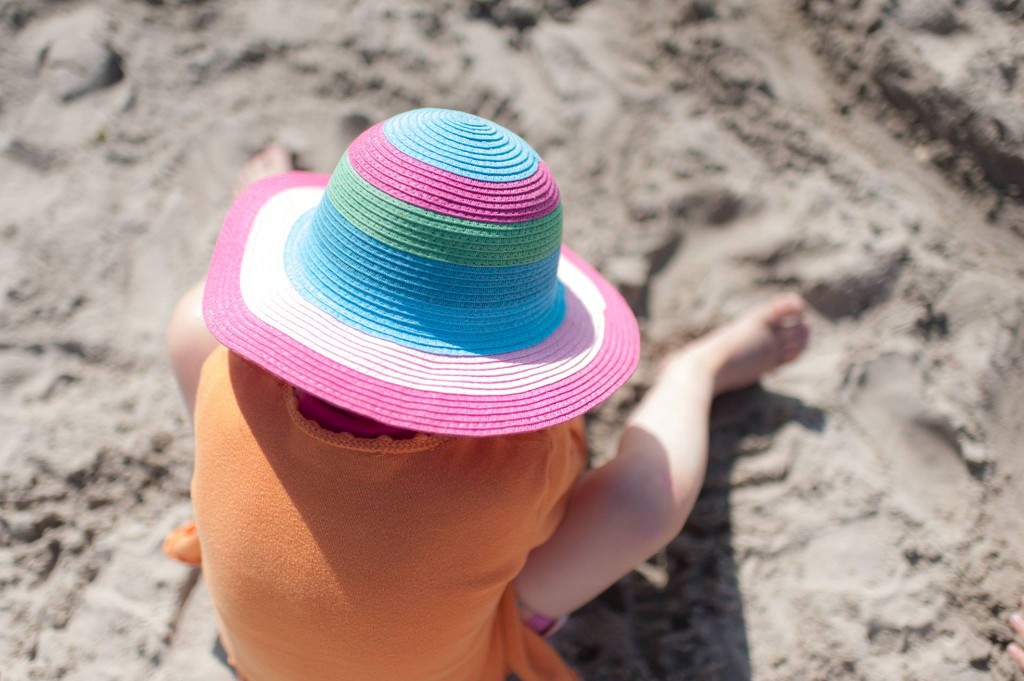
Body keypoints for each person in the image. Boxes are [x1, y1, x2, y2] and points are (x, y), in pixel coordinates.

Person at [162, 108, 809, 681]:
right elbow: (561, 512)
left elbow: (226, 325)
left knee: (196, 322)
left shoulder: (226, 373)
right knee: (643, 501)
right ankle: (696, 370)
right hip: (450, 666)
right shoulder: (516, 461)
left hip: (260, 664)